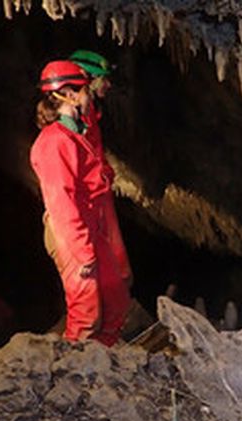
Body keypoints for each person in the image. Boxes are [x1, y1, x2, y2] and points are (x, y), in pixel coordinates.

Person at [30, 60, 131, 345]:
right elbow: (61, 202)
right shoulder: (53, 142)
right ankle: (73, 372)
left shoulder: (74, 134)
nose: (89, 94)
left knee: (116, 299)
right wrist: (82, 252)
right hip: (70, 233)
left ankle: (104, 358)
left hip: (90, 228)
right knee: (86, 313)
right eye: (85, 89)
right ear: (69, 94)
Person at [68, 49, 133, 287]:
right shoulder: (74, 120)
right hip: (90, 200)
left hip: (99, 193)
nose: (108, 84)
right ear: (88, 78)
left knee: (118, 265)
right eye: (103, 79)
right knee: (107, 270)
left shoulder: (90, 112)